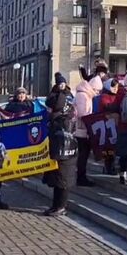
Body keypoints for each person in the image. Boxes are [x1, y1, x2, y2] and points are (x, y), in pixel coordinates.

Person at [43, 72, 77, 216]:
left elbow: (58, 104)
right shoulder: (53, 100)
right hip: (57, 145)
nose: (61, 85)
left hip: (67, 147)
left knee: (63, 178)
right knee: (57, 179)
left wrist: (62, 93)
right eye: (59, 83)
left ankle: (61, 206)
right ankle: (55, 205)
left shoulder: (67, 102)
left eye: (63, 83)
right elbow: (51, 103)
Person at [75, 75, 103, 186]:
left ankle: (81, 176)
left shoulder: (85, 94)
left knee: (83, 154)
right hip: (82, 130)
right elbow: (83, 114)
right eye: (96, 90)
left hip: (82, 129)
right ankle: (81, 177)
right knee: (83, 154)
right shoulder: (83, 95)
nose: (97, 93)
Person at [93, 79, 123, 175]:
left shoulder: (117, 96)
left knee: (114, 147)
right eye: (113, 86)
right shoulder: (104, 96)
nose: (115, 89)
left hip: (115, 124)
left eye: (117, 87)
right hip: (107, 124)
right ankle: (108, 167)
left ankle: (111, 166)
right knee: (108, 147)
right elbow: (107, 106)